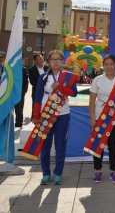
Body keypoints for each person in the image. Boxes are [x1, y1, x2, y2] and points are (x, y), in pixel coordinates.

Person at [31, 50, 78, 185]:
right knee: (45, 145)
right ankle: (45, 174)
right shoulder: (44, 77)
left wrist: (61, 87)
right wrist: (35, 115)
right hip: (45, 114)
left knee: (60, 145)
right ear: (49, 62)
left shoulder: (68, 76)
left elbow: (74, 93)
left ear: (62, 61)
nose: (56, 62)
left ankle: (58, 173)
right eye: (53, 59)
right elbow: (38, 97)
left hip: (63, 114)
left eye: (58, 59)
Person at [89, 55, 115, 183]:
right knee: (98, 146)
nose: (109, 67)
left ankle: (113, 171)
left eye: (111, 64)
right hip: (99, 117)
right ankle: (97, 171)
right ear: (103, 66)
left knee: (113, 146)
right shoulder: (97, 80)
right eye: (106, 64)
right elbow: (91, 101)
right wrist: (92, 118)